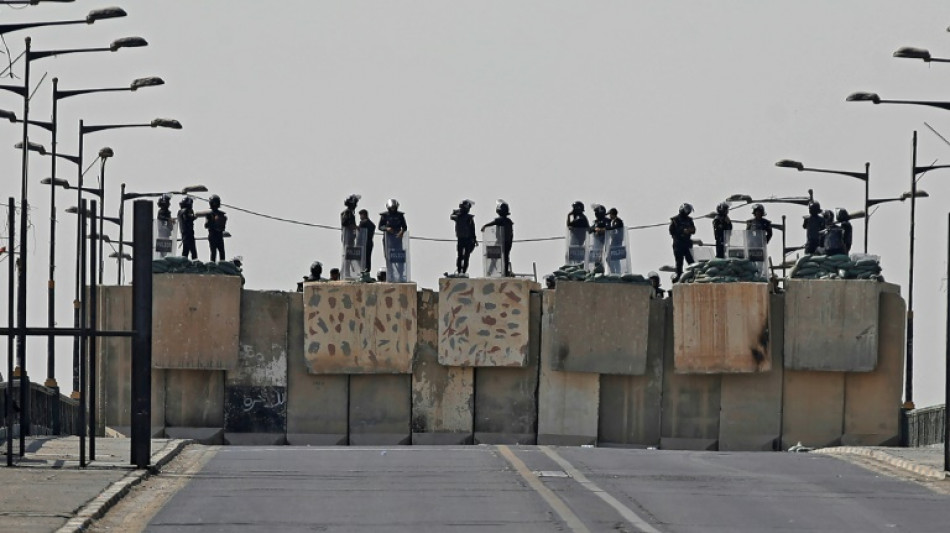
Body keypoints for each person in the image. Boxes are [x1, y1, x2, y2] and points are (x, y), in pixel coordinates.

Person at [481, 199, 514, 277]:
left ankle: (490, 271)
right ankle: (504, 272)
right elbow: (511, 234)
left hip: (500, 242)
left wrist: (485, 226)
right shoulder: (509, 221)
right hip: (507, 242)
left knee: (493, 258)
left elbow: (493, 223)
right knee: (505, 257)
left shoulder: (500, 220)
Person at [379, 198, 408, 281]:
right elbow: (380, 226)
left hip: (398, 239)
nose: (393, 209)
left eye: (394, 208)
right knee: (389, 258)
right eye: (391, 208)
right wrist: (387, 228)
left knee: (399, 257)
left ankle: (401, 275)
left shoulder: (400, 215)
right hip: (388, 240)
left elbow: (405, 226)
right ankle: (391, 275)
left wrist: (402, 232)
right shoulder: (384, 216)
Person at [669, 203, 696, 282]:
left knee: (691, 262)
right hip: (678, 244)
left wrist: (689, 231)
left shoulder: (689, 220)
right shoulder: (675, 220)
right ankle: (679, 277)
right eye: (687, 210)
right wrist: (682, 231)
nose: (688, 212)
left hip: (687, 244)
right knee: (679, 262)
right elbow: (672, 232)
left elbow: (693, 230)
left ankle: (694, 275)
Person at [451, 199, 477, 275]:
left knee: (464, 256)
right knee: (463, 256)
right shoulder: (459, 216)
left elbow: (472, 229)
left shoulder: (466, 217)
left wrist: (474, 239)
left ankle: (462, 271)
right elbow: (473, 229)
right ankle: (460, 271)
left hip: (467, 239)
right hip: (463, 238)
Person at [204, 194, 228, 262]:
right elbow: (206, 225)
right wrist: (212, 220)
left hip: (217, 234)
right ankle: (215, 265)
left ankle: (220, 265)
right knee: (215, 252)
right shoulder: (210, 214)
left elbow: (206, 225)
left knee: (220, 252)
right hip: (214, 234)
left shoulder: (220, 214)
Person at [606, 207, 625, 273]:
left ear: (612, 214)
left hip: (617, 242)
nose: (609, 216)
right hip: (614, 242)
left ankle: (617, 273)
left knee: (615, 258)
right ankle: (613, 272)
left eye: (610, 214)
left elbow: (615, 227)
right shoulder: (612, 221)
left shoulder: (618, 221)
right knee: (609, 258)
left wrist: (607, 228)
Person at [358, 209, 376, 273]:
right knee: (368, 258)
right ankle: (367, 271)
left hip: (363, 243)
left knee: (362, 258)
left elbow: (359, 231)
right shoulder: (371, 224)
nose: (360, 217)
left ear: (364, 215)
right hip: (370, 242)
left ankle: (363, 271)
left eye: (361, 215)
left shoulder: (363, 222)